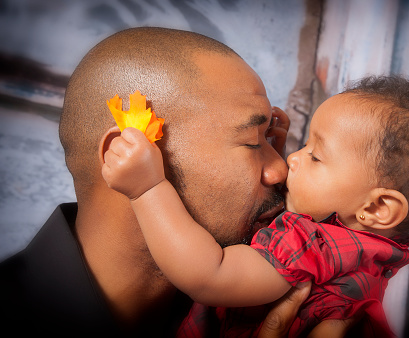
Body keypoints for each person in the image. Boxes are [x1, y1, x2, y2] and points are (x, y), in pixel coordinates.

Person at [0, 27, 349, 337]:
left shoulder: (277, 308)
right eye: (252, 142)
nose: (280, 171)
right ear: (125, 152)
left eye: (271, 141)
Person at [102, 75, 409, 337]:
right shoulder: (362, 246)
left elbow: (210, 276)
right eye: (254, 145)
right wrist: (276, 151)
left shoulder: (310, 240)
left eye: (315, 156)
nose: (289, 163)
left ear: (378, 207)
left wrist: (148, 188)